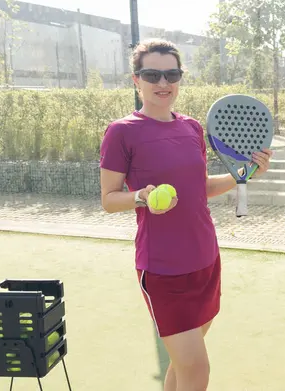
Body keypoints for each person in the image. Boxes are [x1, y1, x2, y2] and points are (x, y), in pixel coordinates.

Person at [99, 38, 273, 391]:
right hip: (163, 269)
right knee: (196, 369)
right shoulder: (122, 132)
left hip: (206, 260)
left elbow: (201, 186)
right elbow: (108, 198)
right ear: (137, 80)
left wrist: (245, 174)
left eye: (171, 74)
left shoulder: (192, 128)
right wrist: (141, 197)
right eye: (152, 74)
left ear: (180, 78)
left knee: (183, 366)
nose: (163, 83)